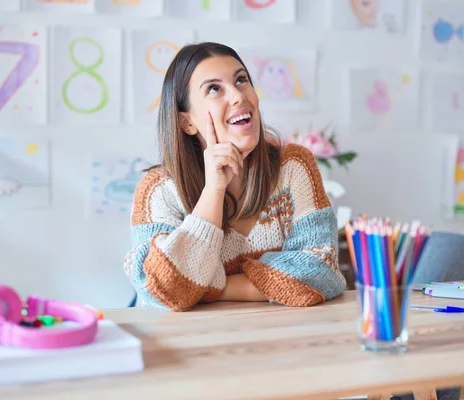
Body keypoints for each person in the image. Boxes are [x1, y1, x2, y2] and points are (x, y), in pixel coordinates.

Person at [122, 42, 346, 311]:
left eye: (241, 80)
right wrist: (213, 191)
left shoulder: (293, 166)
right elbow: (163, 290)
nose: (238, 96)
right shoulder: (158, 191)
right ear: (187, 122)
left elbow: (322, 271)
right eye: (214, 89)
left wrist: (209, 286)